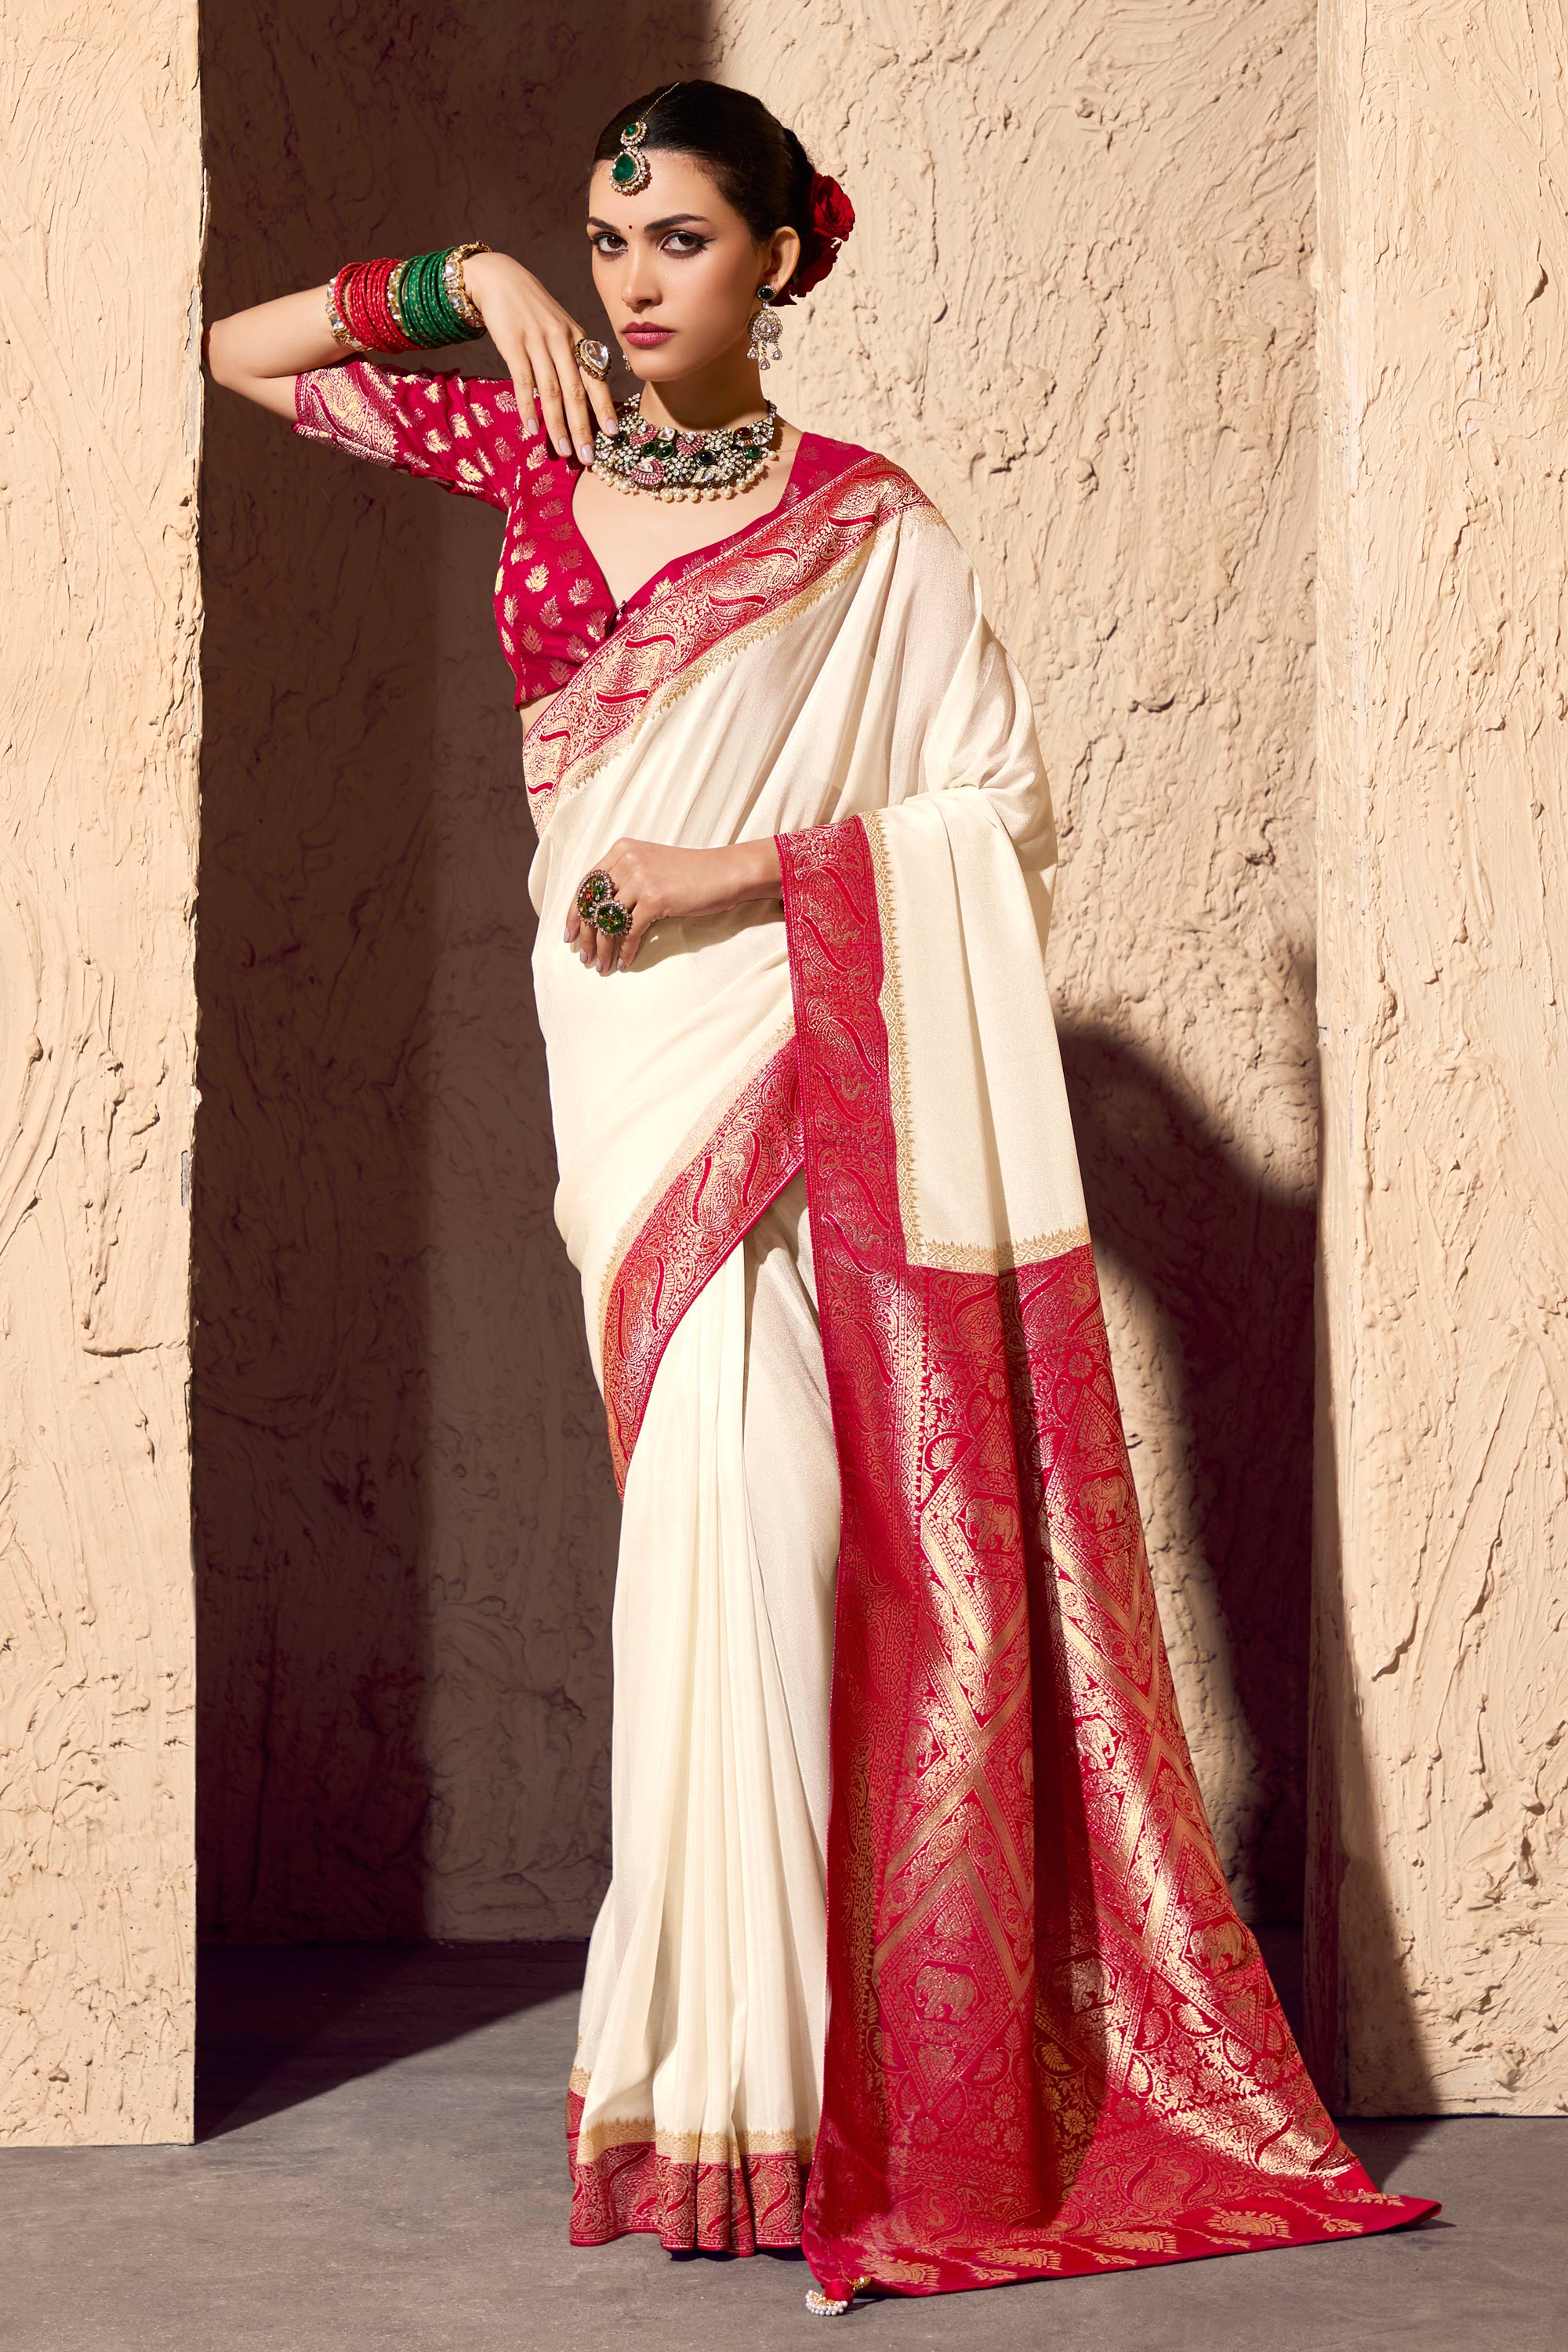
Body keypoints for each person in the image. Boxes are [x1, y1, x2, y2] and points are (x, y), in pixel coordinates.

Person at [205, 76, 1436, 2318]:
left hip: (798, 1043)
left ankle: (785, 2093)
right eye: (606, 241)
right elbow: (241, 355)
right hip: (638, 1090)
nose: (631, 281)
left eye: (678, 240)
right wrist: (464, 281)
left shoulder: (873, 527)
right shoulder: (527, 446)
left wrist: (739, 873)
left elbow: (991, 810)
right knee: (717, 1537)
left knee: (777, 1545)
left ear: (780, 257)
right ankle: (722, 2092)